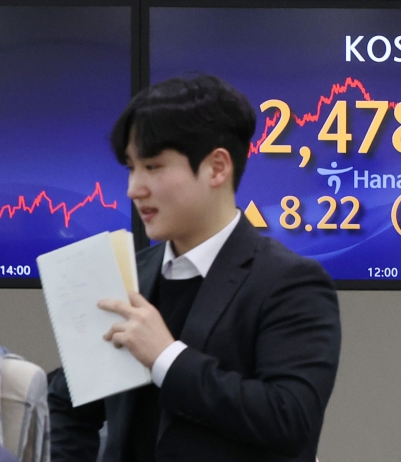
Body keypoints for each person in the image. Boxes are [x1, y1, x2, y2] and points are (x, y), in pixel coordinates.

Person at [47, 75, 341, 462]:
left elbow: (290, 419)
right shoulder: (128, 275)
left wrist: (167, 358)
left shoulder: (290, 282)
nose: (134, 188)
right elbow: (68, 402)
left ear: (217, 167)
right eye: (131, 168)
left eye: (153, 166)